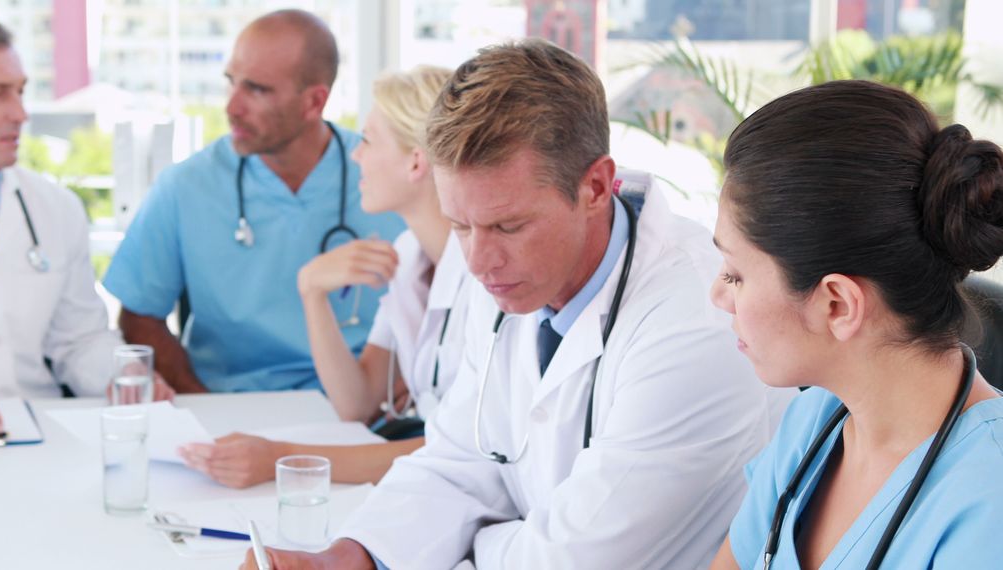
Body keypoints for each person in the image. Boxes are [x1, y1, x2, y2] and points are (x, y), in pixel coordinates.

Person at [241, 39, 790, 570]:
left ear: (596, 186)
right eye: (461, 226)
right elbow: (459, 459)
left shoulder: (695, 319)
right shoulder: (512, 280)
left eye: (509, 225)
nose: (479, 262)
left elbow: (571, 560)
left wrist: (464, 547)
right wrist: (354, 556)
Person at [707, 80, 1003, 569]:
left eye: (736, 275)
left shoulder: (987, 504)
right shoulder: (813, 424)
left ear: (838, 305)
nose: (718, 296)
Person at [178, 66, 470, 486]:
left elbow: (459, 453)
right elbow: (358, 403)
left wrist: (281, 461)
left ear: (416, 162)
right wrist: (312, 290)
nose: (356, 155)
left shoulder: (489, 280)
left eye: (368, 140)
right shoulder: (410, 253)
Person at [102, 9, 404, 394]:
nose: (232, 107)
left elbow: (440, 297)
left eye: (257, 89)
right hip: (233, 406)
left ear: (315, 102)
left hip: (365, 409)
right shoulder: (185, 186)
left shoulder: (387, 173)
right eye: (232, 83)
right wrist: (202, 404)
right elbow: (139, 316)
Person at [0, 14, 172, 441]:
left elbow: (78, 339)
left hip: (41, 437)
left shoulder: (56, 209)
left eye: (20, 91)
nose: (20, 113)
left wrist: (124, 375)